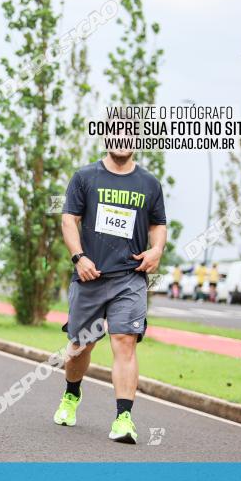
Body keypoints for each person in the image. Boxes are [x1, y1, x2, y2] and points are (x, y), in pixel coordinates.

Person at [55, 149, 167, 444]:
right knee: (80, 345)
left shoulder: (149, 183)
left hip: (130, 278)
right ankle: (71, 393)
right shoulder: (85, 177)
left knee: (125, 341)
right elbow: (69, 220)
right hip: (90, 276)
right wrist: (79, 257)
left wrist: (157, 250)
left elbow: (158, 225)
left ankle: (124, 418)